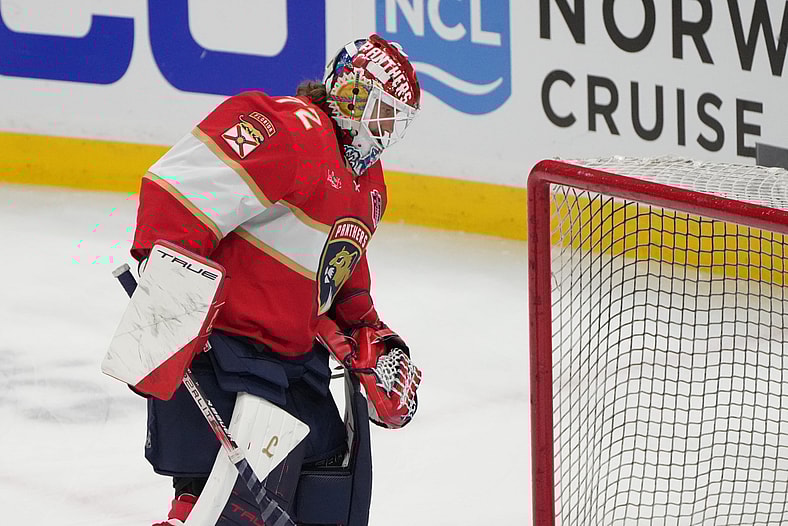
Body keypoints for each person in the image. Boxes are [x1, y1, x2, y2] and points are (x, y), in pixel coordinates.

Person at [127, 34, 423, 526]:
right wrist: (172, 300)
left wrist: (364, 331)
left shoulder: (368, 185)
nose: (385, 130)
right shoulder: (292, 129)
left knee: (329, 487)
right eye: (380, 111)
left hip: (292, 360)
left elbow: (340, 270)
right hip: (227, 349)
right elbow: (178, 188)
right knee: (226, 504)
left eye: (397, 120)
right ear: (348, 93)